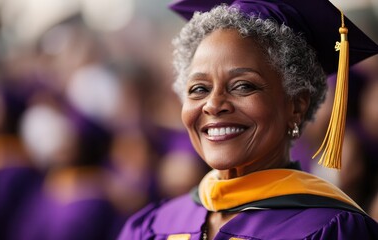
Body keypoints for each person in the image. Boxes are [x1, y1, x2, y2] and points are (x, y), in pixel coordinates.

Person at [117, 0, 378, 239]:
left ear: (296, 105)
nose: (214, 105)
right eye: (199, 89)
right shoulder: (153, 225)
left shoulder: (331, 230)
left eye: (243, 86)